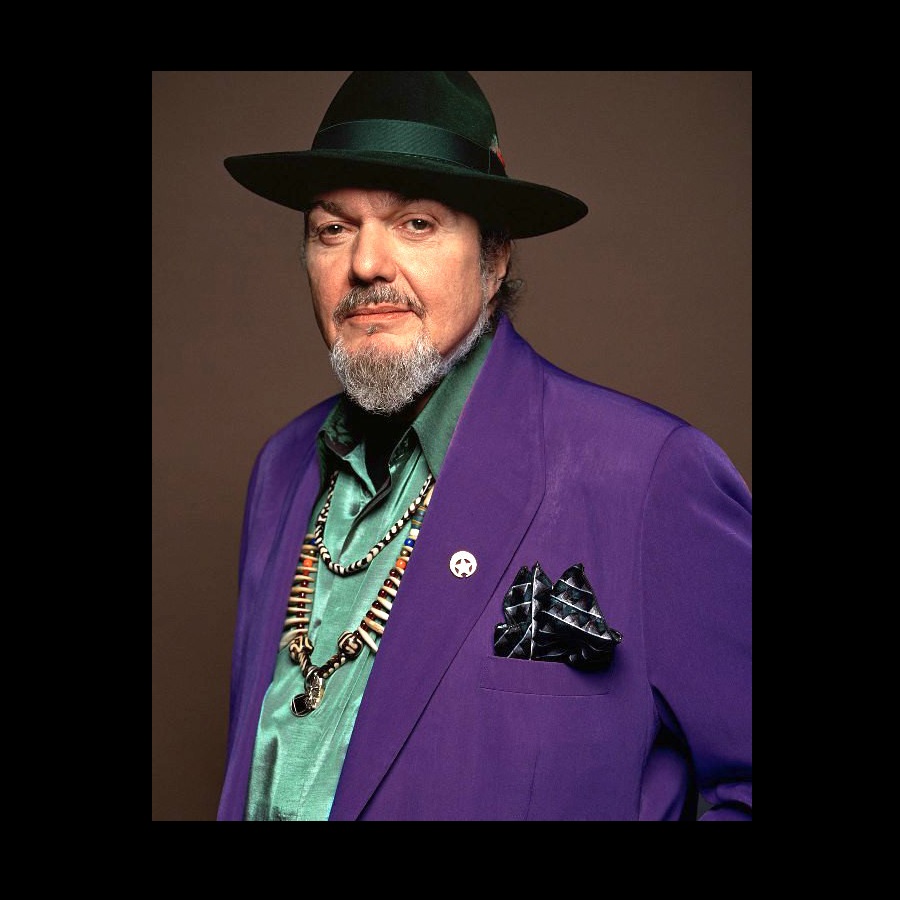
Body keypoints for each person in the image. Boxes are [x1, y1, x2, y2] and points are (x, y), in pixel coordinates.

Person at [216, 71, 752, 821]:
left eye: (416, 223)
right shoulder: (280, 470)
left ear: (494, 260)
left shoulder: (650, 475)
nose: (365, 264)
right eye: (333, 229)